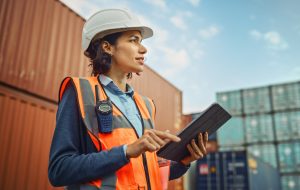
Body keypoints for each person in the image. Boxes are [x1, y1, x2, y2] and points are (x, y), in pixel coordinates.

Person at [48, 8, 208, 190]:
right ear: (108, 47)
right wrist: (126, 151)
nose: (144, 48)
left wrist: (183, 163)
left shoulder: (146, 105)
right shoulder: (79, 91)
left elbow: (144, 173)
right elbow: (58, 170)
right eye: (134, 40)